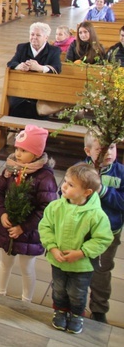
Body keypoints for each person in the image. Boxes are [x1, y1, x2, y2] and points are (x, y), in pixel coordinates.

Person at [39, 164, 112, 334]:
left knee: (77, 292)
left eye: (71, 185)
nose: (64, 186)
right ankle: (61, 311)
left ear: (87, 192)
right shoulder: (55, 207)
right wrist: (52, 248)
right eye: (65, 181)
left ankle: (77, 315)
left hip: (81, 266)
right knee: (58, 288)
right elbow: (45, 227)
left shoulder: (96, 215)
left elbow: (103, 238)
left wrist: (81, 253)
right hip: (58, 261)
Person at [0, 125, 57, 303]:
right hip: (8, 227)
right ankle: (0, 294)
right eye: (17, 148)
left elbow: (46, 208)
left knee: (26, 267)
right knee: (5, 263)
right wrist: (2, 213)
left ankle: (26, 300)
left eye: (24, 150)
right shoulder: (12, 169)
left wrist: (24, 227)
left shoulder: (45, 178)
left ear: (36, 153)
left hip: (29, 231)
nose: (18, 154)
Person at [81, 132, 124, 324]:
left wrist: (104, 191)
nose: (108, 153)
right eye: (101, 149)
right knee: (78, 268)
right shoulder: (79, 170)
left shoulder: (120, 173)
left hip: (108, 233)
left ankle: (99, 309)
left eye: (112, 148)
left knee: (101, 271)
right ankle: (75, 304)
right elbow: (65, 194)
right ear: (88, 151)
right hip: (82, 231)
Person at [7, 22, 62, 118]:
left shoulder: (54, 51)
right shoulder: (22, 47)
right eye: (32, 34)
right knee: (17, 105)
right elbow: (11, 63)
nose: (34, 37)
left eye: (38, 35)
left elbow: (57, 69)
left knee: (38, 109)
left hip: (42, 93)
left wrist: (40, 68)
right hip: (22, 91)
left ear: (46, 37)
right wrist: (19, 66)